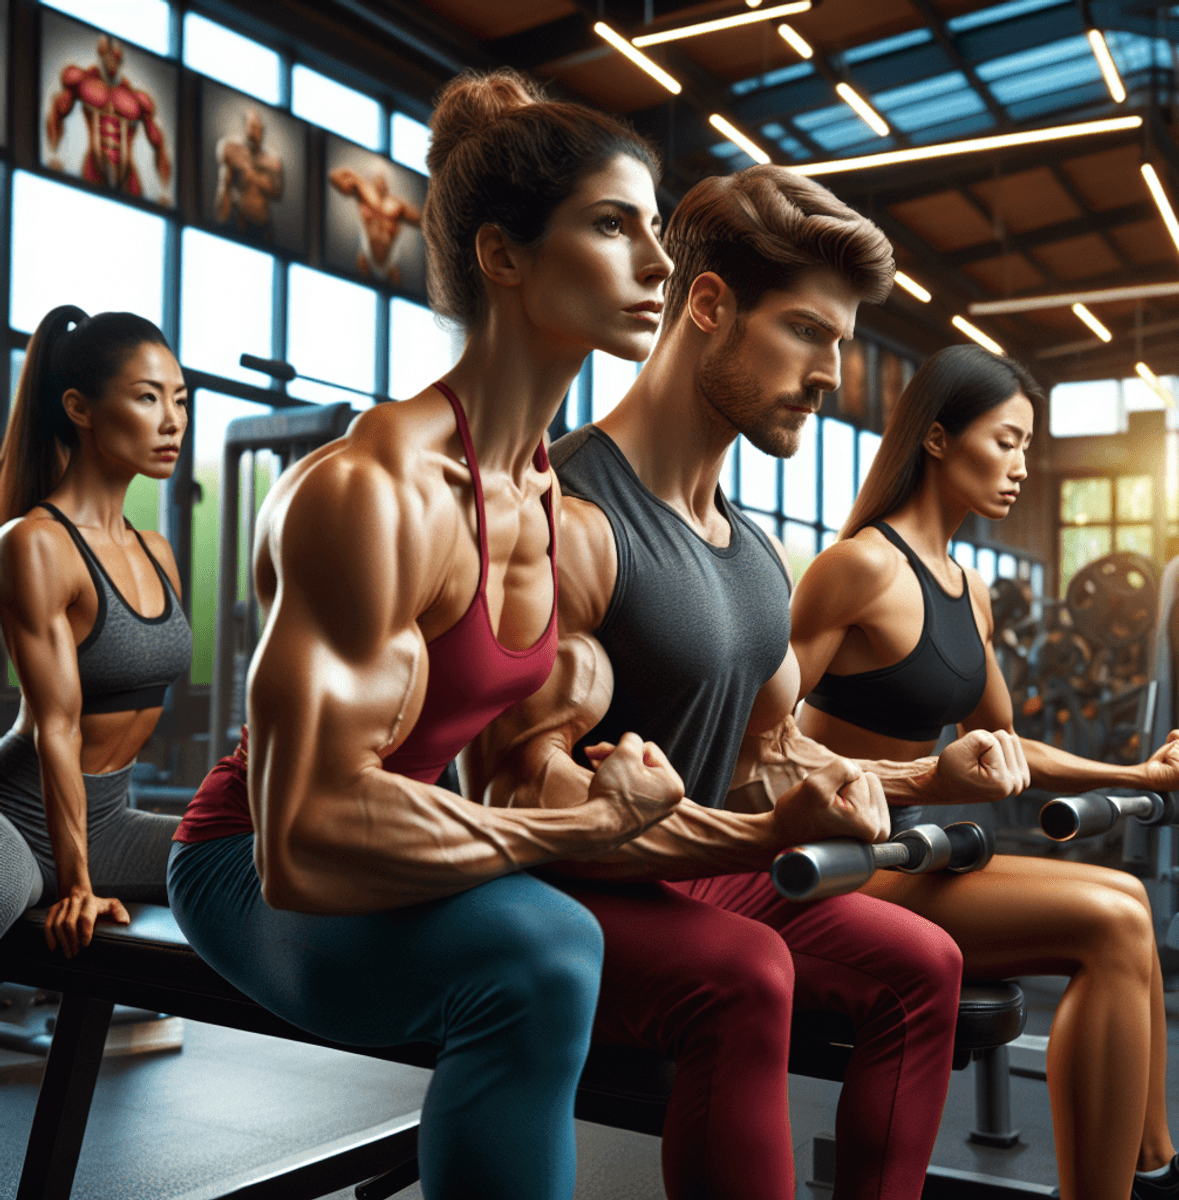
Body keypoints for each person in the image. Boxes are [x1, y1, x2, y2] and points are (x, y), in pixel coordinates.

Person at [167, 70, 687, 1200]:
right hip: (245, 868)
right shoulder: (373, 493)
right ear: (504, 257)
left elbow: (512, 785)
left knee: (584, 931)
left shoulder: (553, 502)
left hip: (400, 852)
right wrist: (580, 832)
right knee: (546, 947)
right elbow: (298, 843)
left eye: (656, 228)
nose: (659, 263)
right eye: (613, 226)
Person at [468, 166, 1036, 1200]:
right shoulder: (572, 514)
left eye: (842, 345)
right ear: (710, 305)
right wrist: (748, 827)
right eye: (809, 334)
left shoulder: (756, 555)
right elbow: (513, 785)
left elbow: (769, 752)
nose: (831, 372)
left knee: (927, 967)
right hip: (563, 889)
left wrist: (923, 780)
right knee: (746, 976)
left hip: (693, 869)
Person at [789, 342, 1179, 1200]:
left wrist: (1142, 772)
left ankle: (1157, 1175)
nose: (1021, 466)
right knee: (1113, 922)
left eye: (1027, 447)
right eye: (1005, 441)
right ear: (937, 439)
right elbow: (757, 738)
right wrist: (918, 779)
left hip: (910, 853)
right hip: (827, 863)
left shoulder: (968, 588)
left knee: (1126, 902)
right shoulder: (860, 566)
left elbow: (1010, 745)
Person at [0, 306, 191, 953]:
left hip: (110, 821)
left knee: (246, 856)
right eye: (147, 398)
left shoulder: (157, 551)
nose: (172, 422)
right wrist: (77, 886)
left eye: (180, 400)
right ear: (80, 409)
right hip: (15, 819)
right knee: (5, 890)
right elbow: (57, 726)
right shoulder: (34, 543)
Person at [45, 35, 170, 201]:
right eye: (108, 53)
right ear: (101, 54)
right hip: (94, 164)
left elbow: (158, 141)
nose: (112, 58)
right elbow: (57, 110)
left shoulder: (137, 99)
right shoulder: (84, 81)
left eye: (116, 56)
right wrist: (52, 155)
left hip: (128, 172)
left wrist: (165, 190)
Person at [328, 165, 422, 285]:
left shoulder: (398, 205)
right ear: (372, 179)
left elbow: (422, 221)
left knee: (395, 289)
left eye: (383, 178)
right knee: (361, 286)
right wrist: (355, 176)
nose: (380, 181)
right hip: (366, 255)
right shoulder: (364, 192)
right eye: (378, 177)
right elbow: (334, 177)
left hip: (390, 260)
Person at [215, 108, 284, 237]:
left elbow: (277, 193)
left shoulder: (272, 160)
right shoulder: (234, 148)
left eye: (257, 126)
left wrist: (253, 175)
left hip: (262, 224)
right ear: (245, 127)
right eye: (251, 126)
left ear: (262, 129)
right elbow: (223, 157)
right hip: (239, 220)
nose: (254, 131)